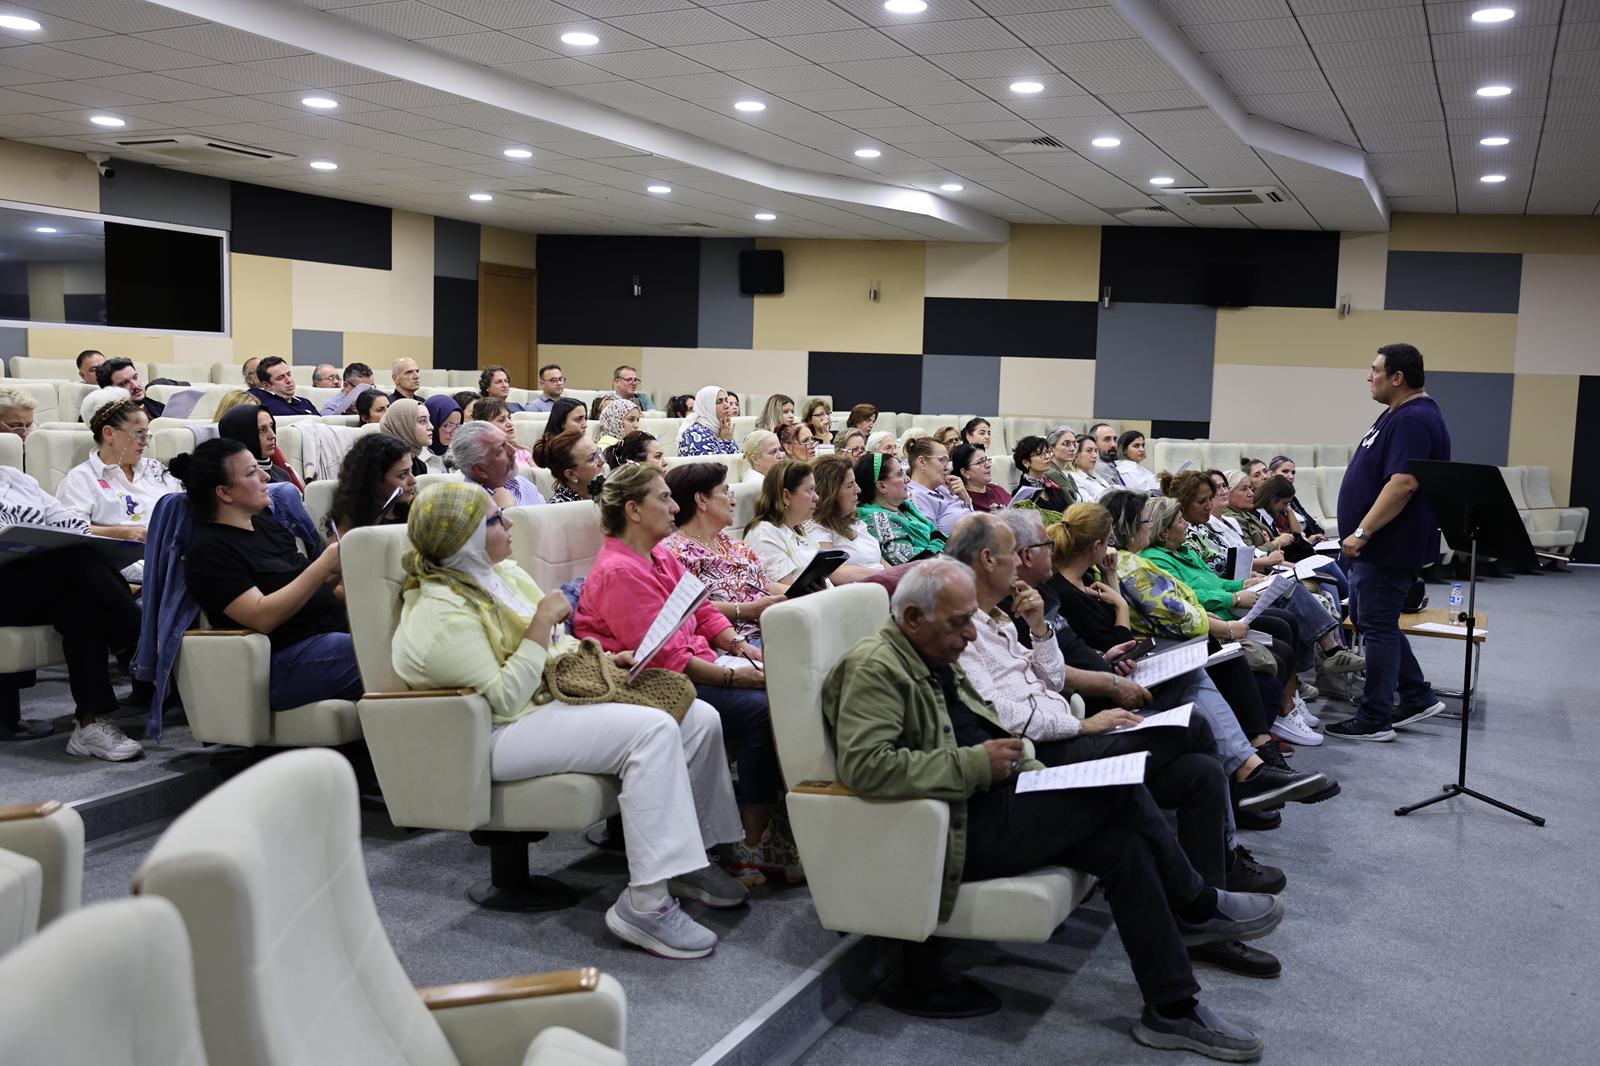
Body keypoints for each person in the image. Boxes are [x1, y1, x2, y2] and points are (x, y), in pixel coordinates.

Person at [823, 556, 1280, 1061]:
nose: (971, 637)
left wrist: (1024, 768)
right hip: (951, 830)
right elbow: (868, 769)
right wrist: (975, 764)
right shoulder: (874, 668)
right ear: (911, 617)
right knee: (1115, 789)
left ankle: (1173, 1009)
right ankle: (1195, 905)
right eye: (959, 623)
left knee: (1124, 845)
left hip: (993, 802)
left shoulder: (928, 654)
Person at [390, 482, 746, 957]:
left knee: (696, 716)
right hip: (496, 732)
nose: (511, 523)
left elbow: (557, 647)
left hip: (545, 699)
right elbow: (502, 699)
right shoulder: (440, 612)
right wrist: (541, 624)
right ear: (465, 538)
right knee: (653, 730)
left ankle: (689, 860)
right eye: (496, 520)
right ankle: (646, 905)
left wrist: (601, 656)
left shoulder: (502, 574)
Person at [574, 463, 798, 882]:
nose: (675, 506)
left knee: (782, 688)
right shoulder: (621, 570)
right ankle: (750, 840)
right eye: (663, 497)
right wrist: (735, 676)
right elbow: (661, 657)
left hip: (691, 664)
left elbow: (702, 609)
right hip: (645, 681)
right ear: (633, 511)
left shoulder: (657, 553)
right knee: (761, 709)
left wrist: (740, 646)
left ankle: (770, 830)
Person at [172, 440, 361, 710]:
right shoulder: (209, 551)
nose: (266, 476)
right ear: (224, 493)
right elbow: (262, 617)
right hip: (280, 661)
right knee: (386, 654)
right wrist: (323, 566)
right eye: (251, 473)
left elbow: (307, 587)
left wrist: (342, 562)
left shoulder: (267, 527)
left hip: (326, 639)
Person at [1330, 342, 1451, 742]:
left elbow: (1403, 483)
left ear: (1397, 377)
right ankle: (1416, 696)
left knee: (1378, 627)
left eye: (1375, 369)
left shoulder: (1413, 419)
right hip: (1380, 545)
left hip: (1385, 544)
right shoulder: (1396, 414)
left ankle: (1374, 717)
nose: (1369, 376)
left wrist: (1363, 530)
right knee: (1374, 621)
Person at [0, 465, 144, 757]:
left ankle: (90, 723)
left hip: (32, 587)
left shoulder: (16, 479)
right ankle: (135, 640)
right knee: (76, 564)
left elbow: (69, 525)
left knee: (81, 603)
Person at [664, 462, 785, 644]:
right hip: (733, 644)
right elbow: (684, 608)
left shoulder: (736, 546)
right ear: (701, 500)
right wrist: (745, 610)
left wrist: (804, 592)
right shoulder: (676, 553)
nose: (733, 501)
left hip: (773, 629)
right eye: (725, 492)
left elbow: (763, 585)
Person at [56, 396, 181, 566]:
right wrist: (119, 533)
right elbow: (68, 530)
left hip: (173, 552)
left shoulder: (155, 469)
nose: (145, 443)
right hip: (123, 560)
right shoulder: (82, 478)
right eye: (139, 433)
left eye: (147, 435)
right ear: (109, 433)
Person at [856, 452, 944, 565]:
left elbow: (936, 534)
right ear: (882, 486)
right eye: (899, 474)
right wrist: (941, 544)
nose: (907, 479)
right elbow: (912, 563)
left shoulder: (905, 507)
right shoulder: (878, 520)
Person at [325, 433, 416, 538]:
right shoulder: (353, 521)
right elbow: (339, 552)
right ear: (375, 480)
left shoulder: (415, 511)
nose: (413, 480)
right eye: (403, 475)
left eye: (411, 471)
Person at [810, 453, 886, 572]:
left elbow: (879, 561)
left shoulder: (852, 520)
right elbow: (831, 571)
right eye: (850, 485)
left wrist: (898, 576)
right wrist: (886, 576)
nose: (858, 490)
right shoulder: (818, 528)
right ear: (830, 493)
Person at [218, 404, 301, 488]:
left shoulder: (282, 474)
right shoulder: (231, 483)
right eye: (261, 430)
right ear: (240, 435)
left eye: (271, 426)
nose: (272, 435)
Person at [904, 436, 971, 535]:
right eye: (942, 460)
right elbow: (931, 540)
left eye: (947, 461)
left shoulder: (942, 488)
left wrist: (966, 499)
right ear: (922, 462)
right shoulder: (916, 496)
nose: (947, 468)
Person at [530, 429, 603, 504]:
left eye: (599, 452)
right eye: (592, 458)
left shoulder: (606, 493)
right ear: (571, 475)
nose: (602, 461)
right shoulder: (559, 510)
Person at [1266, 456, 1326, 542]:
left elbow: (1309, 520)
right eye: (1285, 471)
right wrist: (1307, 541)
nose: (1291, 476)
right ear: (1271, 474)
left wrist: (1320, 534)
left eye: (1293, 472)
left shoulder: (1292, 498)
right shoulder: (1270, 502)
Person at [1012, 434, 1074, 513]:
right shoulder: (1021, 494)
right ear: (1026, 462)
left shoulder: (1052, 485)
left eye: (1047, 452)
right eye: (1040, 454)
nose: (1047, 456)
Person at [378, 397, 433, 477]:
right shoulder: (383, 467)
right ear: (401, 425)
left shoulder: (420, 466)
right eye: (422, 421)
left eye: (429, 419)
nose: (431, 427)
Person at [246, 357, 318, 416]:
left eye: (289, 374)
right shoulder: (258, 398)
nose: (289, 380)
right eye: (280, 378)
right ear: (267, 386)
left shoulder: (305, 402)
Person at [470, 398, 533, 467]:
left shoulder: (521, 451)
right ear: (484, 425)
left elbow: (539, 476)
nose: (510, 423)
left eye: (509, 417)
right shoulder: (481, 456)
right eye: (501, 420)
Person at [678, 386, 738, 456]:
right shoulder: (694, 433)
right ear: (707, 407)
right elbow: (711, 465)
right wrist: (726, 441)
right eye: (719, 402)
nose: (727, 406)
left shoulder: (722, 429)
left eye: (727, 401)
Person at [952, 442, 1011, 512]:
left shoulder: (997, 490)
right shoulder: (962, 500)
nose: (988, 465)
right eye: (981, 462)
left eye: (987, 460)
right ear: (965, 472)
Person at [97, 358, 164, 419]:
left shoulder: (161, 408)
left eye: (135, 377)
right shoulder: (110, 420)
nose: (135, 386)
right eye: (124, 383)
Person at [421, 395, 460, 473]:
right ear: (433, 423)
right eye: (449, 425)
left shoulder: (458, 454)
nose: (453, 432)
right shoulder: (418, 459)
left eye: (458, 426)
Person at [1069, 434, 1112, 502]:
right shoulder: (1074, 478)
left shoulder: (1096, 477)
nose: (1094, 455)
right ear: (1076, 454)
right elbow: (1088, 505)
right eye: (1089, 450)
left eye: (1095, 451)